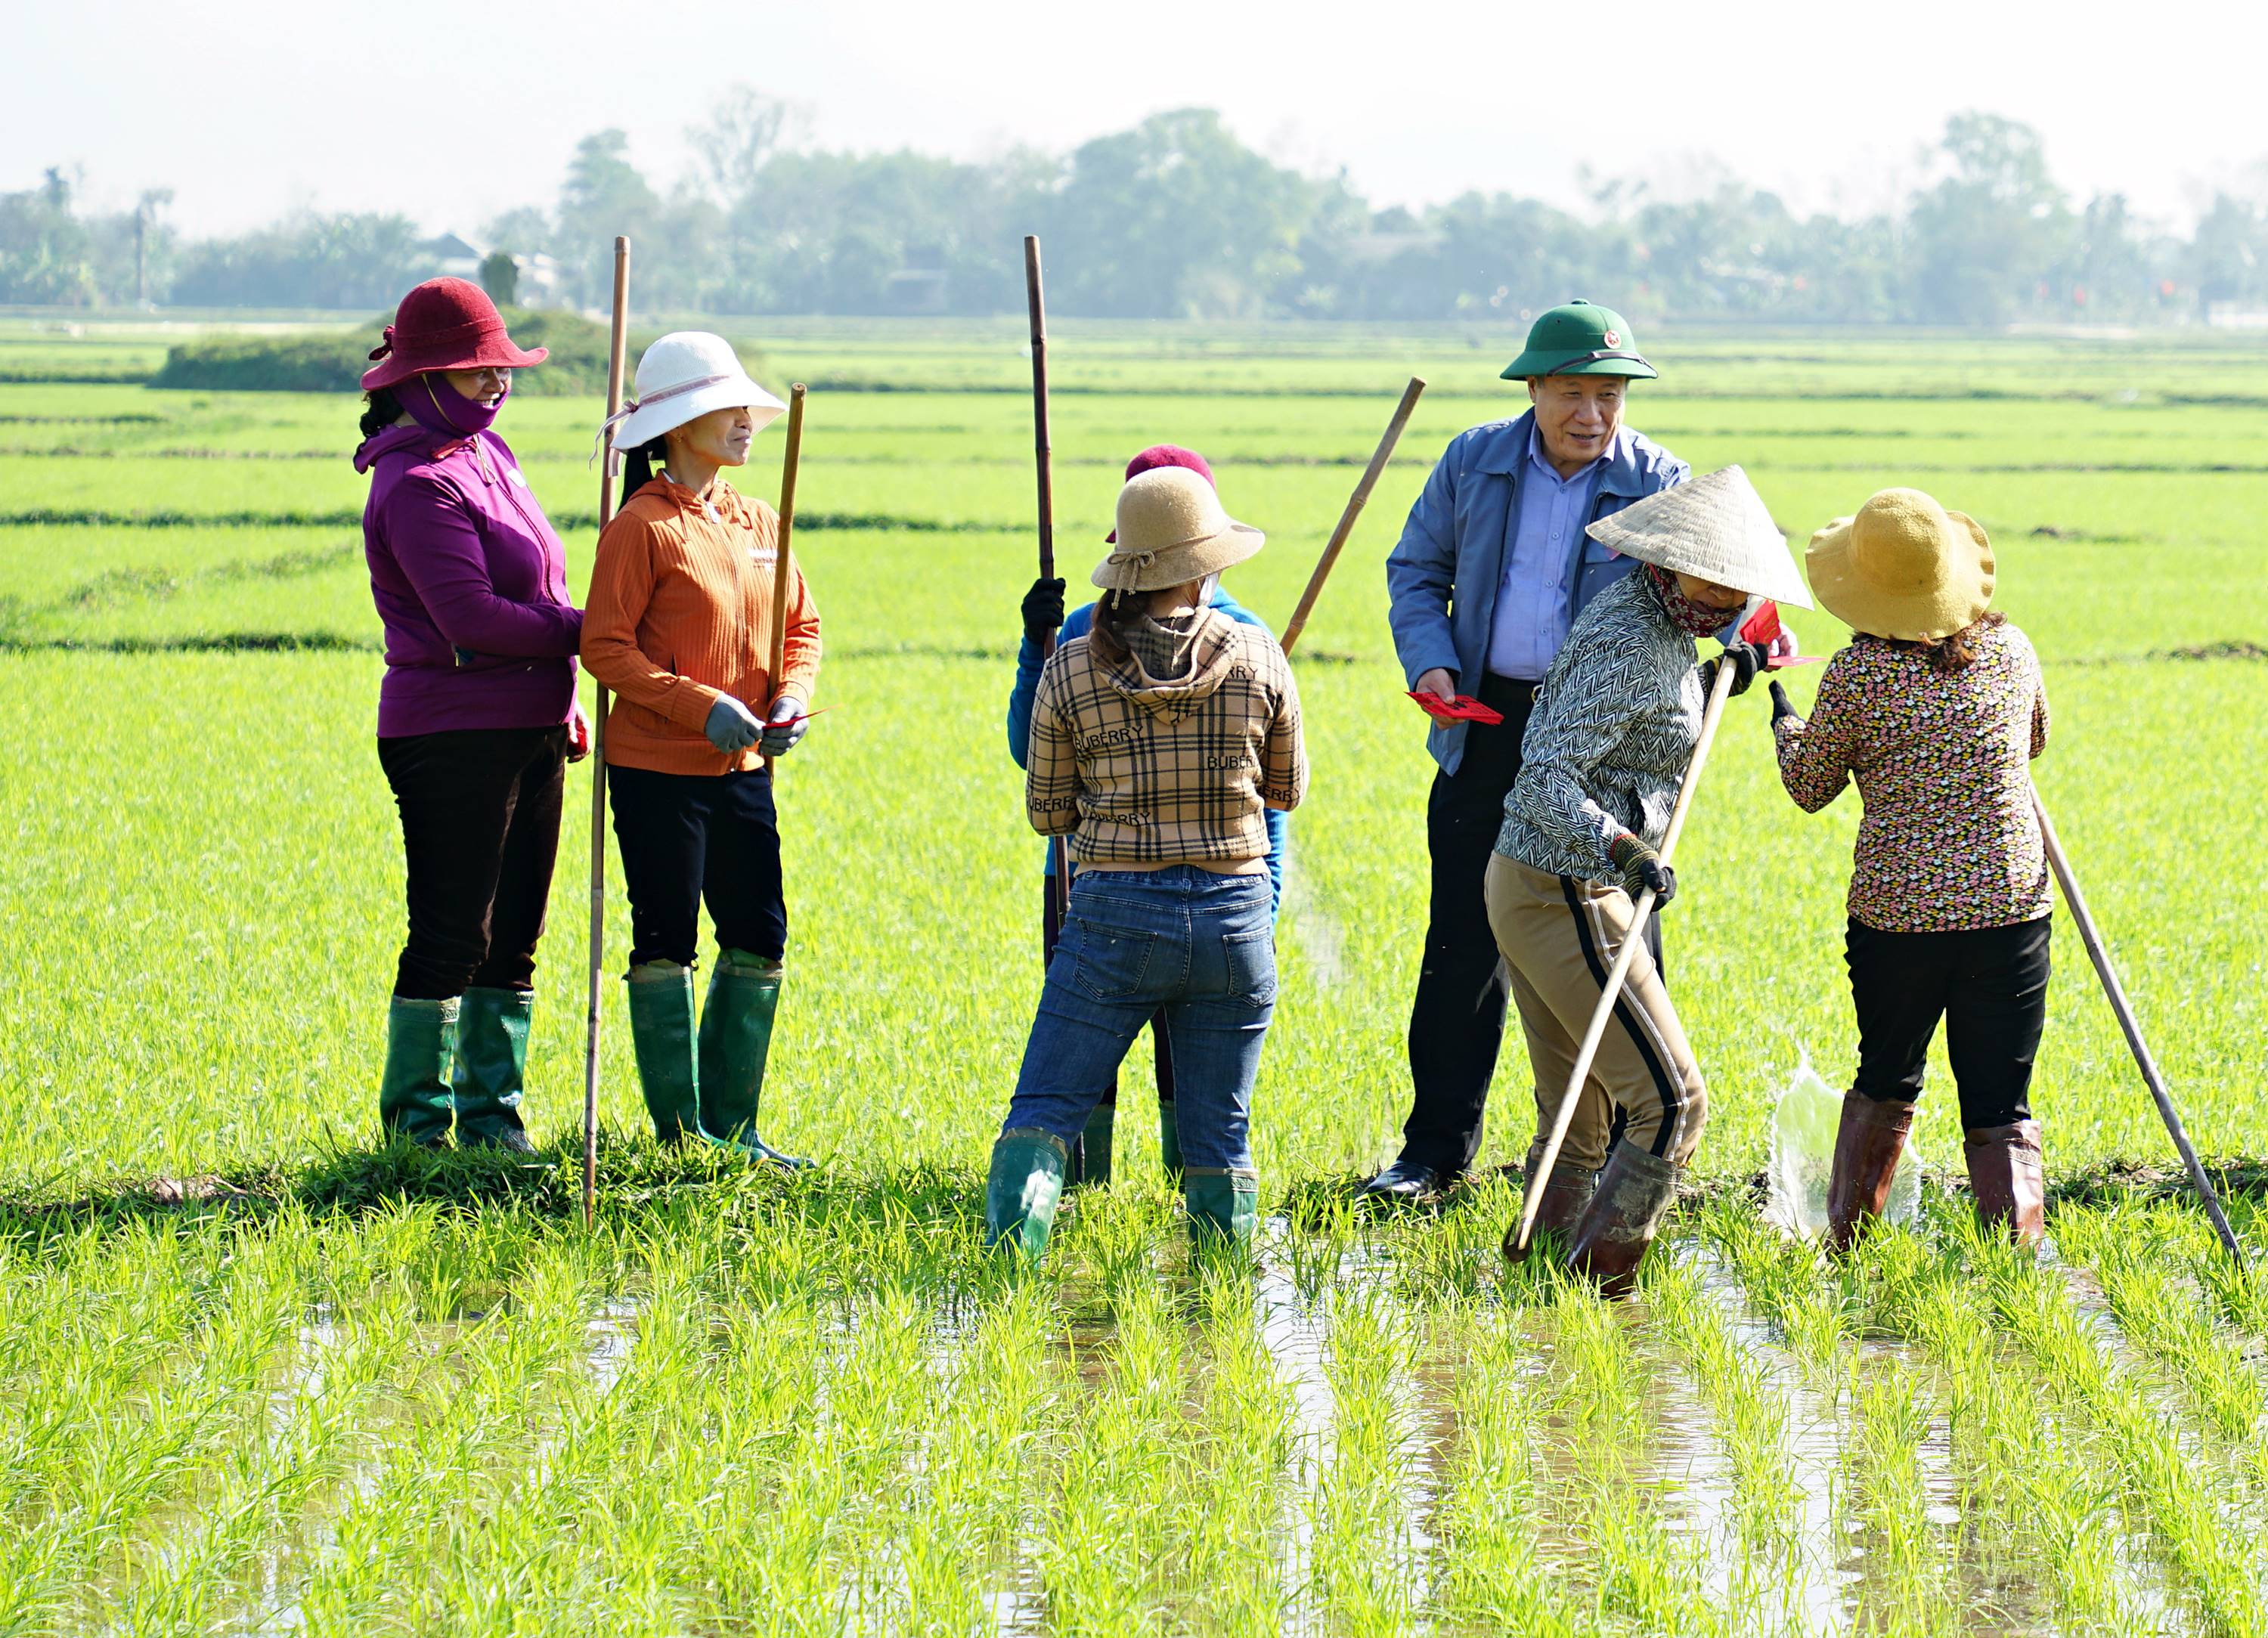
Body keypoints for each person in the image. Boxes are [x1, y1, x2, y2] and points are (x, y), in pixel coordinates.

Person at [1371, 300, 1690, 1202]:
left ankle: (1634, 1156)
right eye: (1574, 394)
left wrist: (1740, 637)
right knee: (1464, 948)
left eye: (1610, 395)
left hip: (1602, 745)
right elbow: (1416, 570)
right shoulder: (1476, 461)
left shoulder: (1662, 481)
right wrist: (1431, 662)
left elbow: (1710, 593)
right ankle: (1433, 1156)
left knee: (1621, 937)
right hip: (1487, 721)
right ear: (1535, 388)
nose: (1593, 414)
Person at [1489, 468, 1801, 1296]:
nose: (1730, 595)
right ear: (1669, 565)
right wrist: (1624, 848)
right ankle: (1601, 1290)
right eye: (1715, 578)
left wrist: (1717, 675)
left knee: (1581, 1119)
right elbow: (1543, 777)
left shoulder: (1662, 629)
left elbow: (1640, 726)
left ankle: (1542, 1293)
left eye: (1741, 584)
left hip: (1532, 881)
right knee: (1674, 1103)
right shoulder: (1634, 640)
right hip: (1565, 887)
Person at [987, 467, 1306, 1259]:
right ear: (1204, 567)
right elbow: (1287, 789)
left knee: (1047, 1108)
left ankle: (1005, 1278)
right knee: (1219, 1134)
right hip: (1235, 923)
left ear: (1127, 566)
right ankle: (1219, 1311)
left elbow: (1045, 813)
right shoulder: (1260, 655)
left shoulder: (1071, 665)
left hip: (1113, 922)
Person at [1771, 488, 2053, 1249]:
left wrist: (1784, 722)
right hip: (2010, 907)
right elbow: (2032, 744)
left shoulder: (1858, 674)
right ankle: (2014, 1258)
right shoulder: (2013, 649)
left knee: (1889, 1073)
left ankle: (1850, 1243)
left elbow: (1810, 786)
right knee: (2001, 1099)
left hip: (1899, 919)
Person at [355, 277, 588, 1153]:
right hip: (452, 732)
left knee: (516, 936)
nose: (495, 382)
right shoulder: (415, 484)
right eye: (473, 369)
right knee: (456, 931)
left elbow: (544, 583)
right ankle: (416, 1131)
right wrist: (593, 634)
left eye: (500, 366)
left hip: (529, 723)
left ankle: (493, 1123)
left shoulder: (492, 455)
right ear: (420, 380)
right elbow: (473, 619)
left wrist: (562, 694)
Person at [581, 332, 820, 1166]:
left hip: (745, 769)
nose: (749, 424)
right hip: (657, 772)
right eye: (732, 411)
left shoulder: (760, 521)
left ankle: (734, 1128)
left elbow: (803, 627)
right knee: (666, 937)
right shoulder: (640, 527)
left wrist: (791, 695)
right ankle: (682, 1138)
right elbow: (605, 649)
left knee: (759, 929)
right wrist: (699, 705)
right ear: (681, 425)